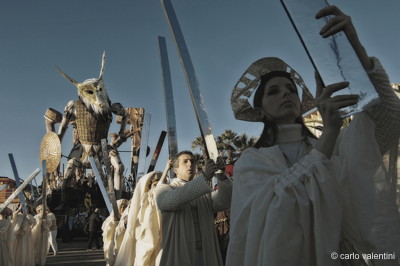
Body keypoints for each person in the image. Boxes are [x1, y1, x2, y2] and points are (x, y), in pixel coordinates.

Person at [226, 5, 400, 266]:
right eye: (274, 91)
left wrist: (356, 53)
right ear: (260, 110)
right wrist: (329, 133)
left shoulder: (335, 143)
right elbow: (277, 218)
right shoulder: (252, 161)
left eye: (291, 89)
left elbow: (388, 120)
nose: (286, 93)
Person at [154, 151, 232, 266]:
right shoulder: (164, 189)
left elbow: (224, 201)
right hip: (180, 254)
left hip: (206, 253)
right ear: (175, 170)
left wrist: (221, 176)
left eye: (192, 161)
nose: (190, 164)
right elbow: (173, 201)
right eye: (185, 161)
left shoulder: (205, 192)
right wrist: (205, 178)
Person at [102, 198, 128, 266]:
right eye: (121, 206)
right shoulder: (111, 217)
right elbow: (106, 231)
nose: (123, 208)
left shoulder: (128, 216)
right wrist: (114, 222)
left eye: (125, 206)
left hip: (124, 242)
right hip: (113, 243)